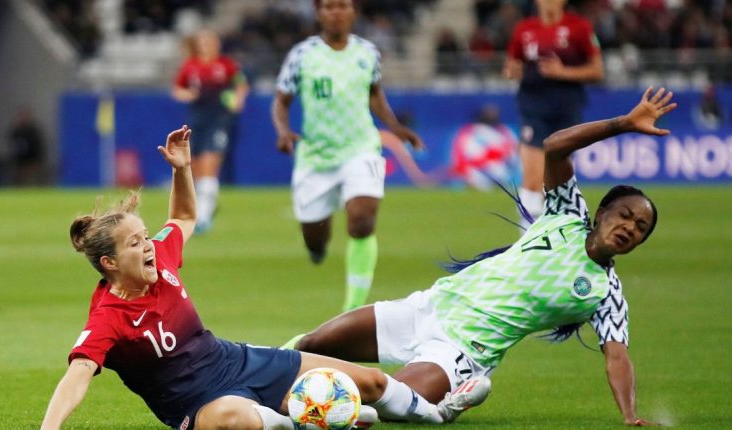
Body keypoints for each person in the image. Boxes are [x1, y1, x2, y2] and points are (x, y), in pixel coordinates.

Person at [39, 125, 475, 430]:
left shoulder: (162, 258)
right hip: (199, 404)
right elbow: (77, 376)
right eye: (134, 244)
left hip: (237, 361)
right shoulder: (109, 317)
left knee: (372, 381)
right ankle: (308, 418)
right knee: (237, 421)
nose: (148, 245)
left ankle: (438, 412)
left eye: (144, 236)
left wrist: (182, 168)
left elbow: (184, 217)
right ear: (110, 263)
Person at [288, 88, 677, 426]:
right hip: (428, 307)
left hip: (462, 352)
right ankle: (264, 376)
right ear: (603, 212)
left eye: (640, 228)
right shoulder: (567, 214)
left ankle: (435, 408)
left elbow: (617, 358)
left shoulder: (606, 294)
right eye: (625, 215)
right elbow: (556, 145)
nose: (630, 227)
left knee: (385, 399)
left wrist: (630, 415)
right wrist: (623, 124)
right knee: (313, 343)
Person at [271, 0, 424, 311]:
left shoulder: (367, 52)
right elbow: (281, 100)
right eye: (329, 6)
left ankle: (352, 307)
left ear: (354, 11)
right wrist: (283, 131)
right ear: (318, 13)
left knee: (363, 219)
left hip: (361, 147)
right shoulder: (303, 55)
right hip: (316, 157)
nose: (336, 12)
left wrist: (394, 126)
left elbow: (374, 93)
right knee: (315, 238)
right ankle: (316, 248)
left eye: (342, 6)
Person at [503, 0, 604, 228]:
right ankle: (527, 238)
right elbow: (510, 66)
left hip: (566, 111)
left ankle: (550, 231)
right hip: (533, 108)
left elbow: (597, 70)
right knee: (532, 177)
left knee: (554, 182)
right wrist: (512, 70)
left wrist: (562, 72)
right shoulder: (524, 28)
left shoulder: (579, 27)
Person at [172, 29, 249, 233]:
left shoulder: (226, 65)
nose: (206, 45)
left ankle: (203, 217)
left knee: (210, 163)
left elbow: (241, 84)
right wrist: (187, 94)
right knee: (196, 167)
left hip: (220, 119)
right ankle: (207, 206)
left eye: (210, 41)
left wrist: (238, 100)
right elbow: (177, 90)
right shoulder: (190, 66)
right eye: (203, 41)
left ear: (217, 44)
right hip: (197, 120)